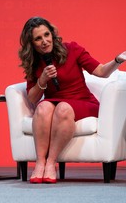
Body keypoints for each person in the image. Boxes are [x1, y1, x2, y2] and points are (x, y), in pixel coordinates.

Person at [18, 16, 126, 184]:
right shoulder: (34, 62)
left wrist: (117, 60)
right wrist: (43, 80)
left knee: (63, 108)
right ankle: (40, 162)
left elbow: (101, 72)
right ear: (31, 43)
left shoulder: (72, 49)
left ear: (52, 34)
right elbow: (32, 98)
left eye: (47, 35)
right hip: (54, 101)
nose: (45, 41)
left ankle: (51, 162)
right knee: (42, 108)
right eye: (38, 38)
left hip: (82, 101)